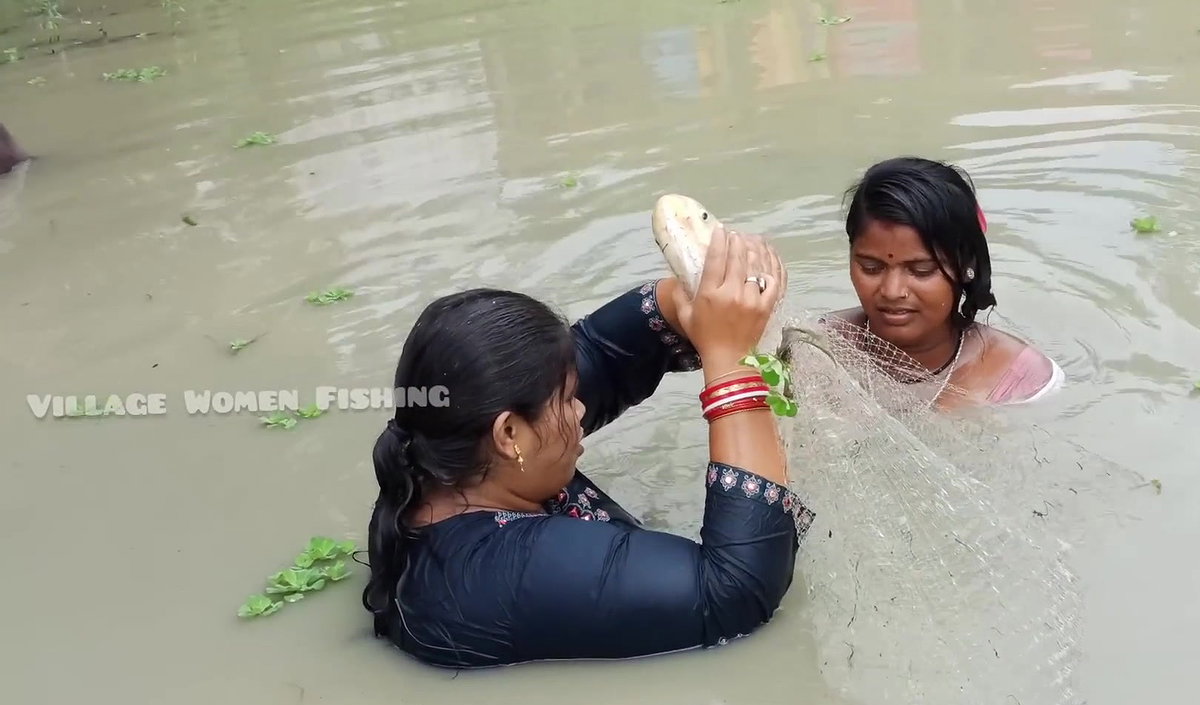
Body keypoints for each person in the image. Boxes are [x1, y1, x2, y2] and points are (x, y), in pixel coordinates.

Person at [361, 227, 815, 669]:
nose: (580, 411)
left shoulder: (445, 456)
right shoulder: (506, 571)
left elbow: (602, 353)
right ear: (509, 434)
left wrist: (695, 297)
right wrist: (733, 364)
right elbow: (736, 589)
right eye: (565, 400)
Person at [823, 156, 1063, 408]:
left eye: (922, 270)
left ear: (965, 266)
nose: (892, 291)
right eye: (871, 268)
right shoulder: (817, 348)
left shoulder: (1019, 378)